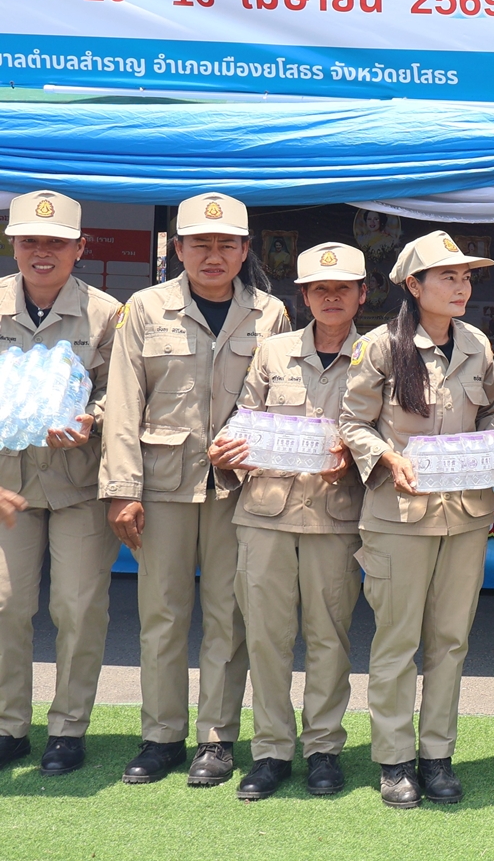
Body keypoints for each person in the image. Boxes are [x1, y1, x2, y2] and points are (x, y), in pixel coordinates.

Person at [101, 192, 290, 787]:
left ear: (244, 250)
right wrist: (122, 488)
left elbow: (283, 400)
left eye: (226, 244)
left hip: (240, 488)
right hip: (161, 486)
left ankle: (216, 738)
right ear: (177, 248)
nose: (213, 254)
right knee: (161, 612)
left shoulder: (271, 313)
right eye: (200, 244)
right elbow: (125, 403)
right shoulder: (144, 308)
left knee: (228, 616)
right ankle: (160, 736)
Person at [339, 230, 494, 809]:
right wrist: (387, 457)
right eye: (448, 277)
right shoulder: (381, 346)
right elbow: (352, 422)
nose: (461, 286)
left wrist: (490, 445)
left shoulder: (477, 343)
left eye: (465, 277)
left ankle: (437, 756)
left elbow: (488, 415)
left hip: (465, 514)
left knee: (451, 641)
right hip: (397, 516)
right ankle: (395, 760)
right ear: (414, 285)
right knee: (397, 640)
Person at [207, 244, 367, 800]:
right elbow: (244, 418)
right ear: (303, 297)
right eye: (319, 288)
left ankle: (323, 748)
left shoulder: (377, 354)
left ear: (362, 294)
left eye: (343, 287)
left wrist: (357, 455)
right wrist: (225, 451)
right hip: (266, 514)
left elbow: (385, 432)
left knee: (329, 639)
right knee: (266, 639)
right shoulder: (273, 352)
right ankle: (272, 750)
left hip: (337, 517)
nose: (330, 296)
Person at [0, 191, 120, 776]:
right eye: (29, 241)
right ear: (13, 244)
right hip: (7, 485)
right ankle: (8, 726)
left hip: (78, 480)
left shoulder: (106, 314)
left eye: (55, 242)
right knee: (5, 606)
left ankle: (69, 727)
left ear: (79, 247)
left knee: (77, 606)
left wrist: (92, 415)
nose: (41, 253)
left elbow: (122, 390)